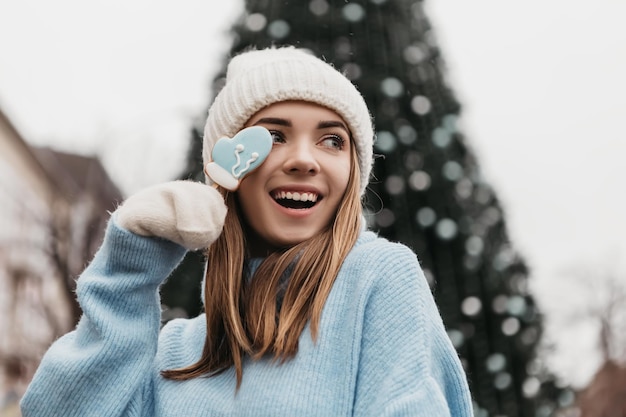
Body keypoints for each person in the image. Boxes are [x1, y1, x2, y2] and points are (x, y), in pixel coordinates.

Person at [20, 46, 474, 417]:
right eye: (273, 135)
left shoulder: (379, 280)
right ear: (228, 168)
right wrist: (126, 271)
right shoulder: (174, 351)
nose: (304, 159)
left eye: (332, 139)